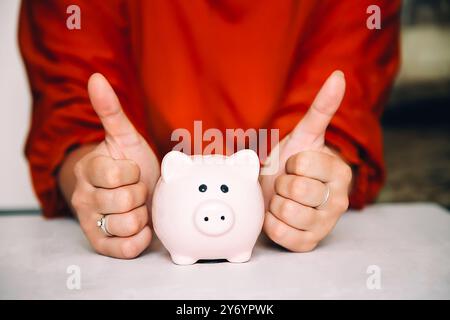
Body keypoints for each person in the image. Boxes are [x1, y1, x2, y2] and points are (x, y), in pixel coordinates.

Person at [19, 0, 400, 259]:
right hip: (154, 196)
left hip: (268, 176)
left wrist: (307, 177)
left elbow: (349, 87)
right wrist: (103, 182)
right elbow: (70, 96)